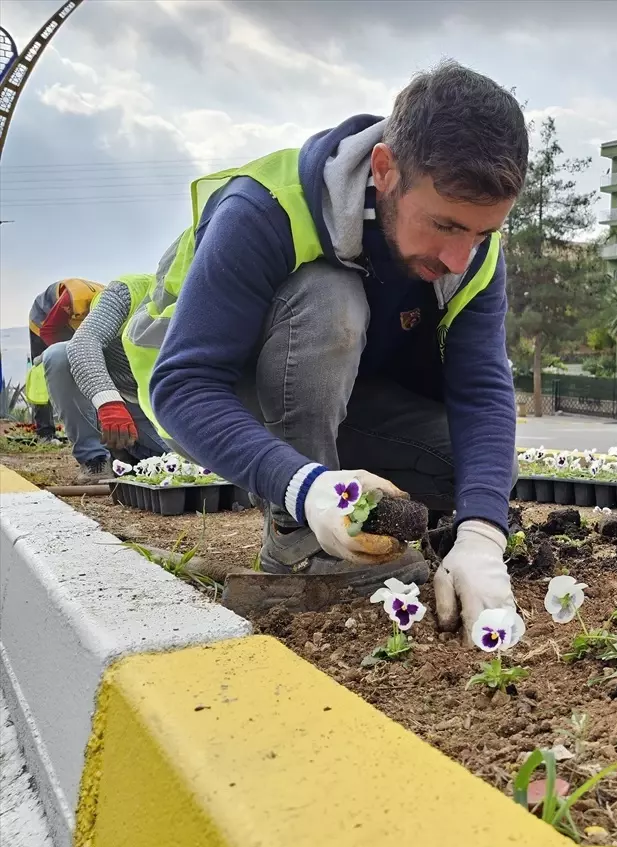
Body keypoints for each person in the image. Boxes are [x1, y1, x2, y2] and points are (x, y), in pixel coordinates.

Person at [124, 61, 527, 640]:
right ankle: (299, 537)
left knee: (471, 468)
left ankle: (368, 525)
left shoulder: (472, 258)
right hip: (226, 406)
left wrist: (483, 534)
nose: (460, 257)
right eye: (443, 225)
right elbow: (184, 385)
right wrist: (306, 488)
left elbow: (483, 393)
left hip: (352, 404)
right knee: (331, 300)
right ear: (385, 170)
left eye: (482, 233)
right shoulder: (264, 209)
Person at [40, 275, 169, 483]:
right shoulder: (128, 292)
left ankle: (128, 454)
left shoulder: (213, 306)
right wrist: (109, 403)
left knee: (185, 463)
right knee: (59, 355)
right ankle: (95, 460)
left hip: (160, 407)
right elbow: (83, 343)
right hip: (120, 396)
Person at [25, 278, 106, 441]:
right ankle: (45, 433)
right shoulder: (75, 299)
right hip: (43, 322)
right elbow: (49, 330)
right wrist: (62, 357)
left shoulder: (110, 304)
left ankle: (96, 429)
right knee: (42, 375)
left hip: (73, 324)